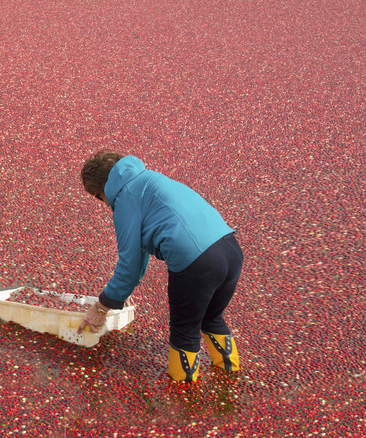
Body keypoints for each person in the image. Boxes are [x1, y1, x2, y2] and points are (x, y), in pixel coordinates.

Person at [77, 150, 243, 382]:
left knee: (184, 330)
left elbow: (129, 264)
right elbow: (139, 255)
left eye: (99, 198)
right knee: (211, 317)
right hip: (230, 250)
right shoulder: (150, 180)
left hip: (197, 263)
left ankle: (183, 393)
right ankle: (230, 375)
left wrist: (101, 307)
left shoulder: (124, 199)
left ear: (100, 193)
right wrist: (120, 294)